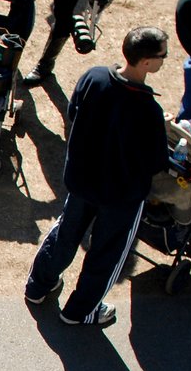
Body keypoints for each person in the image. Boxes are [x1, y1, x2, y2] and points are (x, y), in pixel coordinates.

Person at [23, 27, 170, 326]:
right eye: (162, 56)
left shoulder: (94, 77)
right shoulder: (148, 109)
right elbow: (156, 161)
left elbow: (74, 113)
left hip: (81, 180)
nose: (164, 60)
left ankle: (39, 286)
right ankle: (80, 311)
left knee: (66, 233)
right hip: (120, 196)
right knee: (107, 252)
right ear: (145, 63)